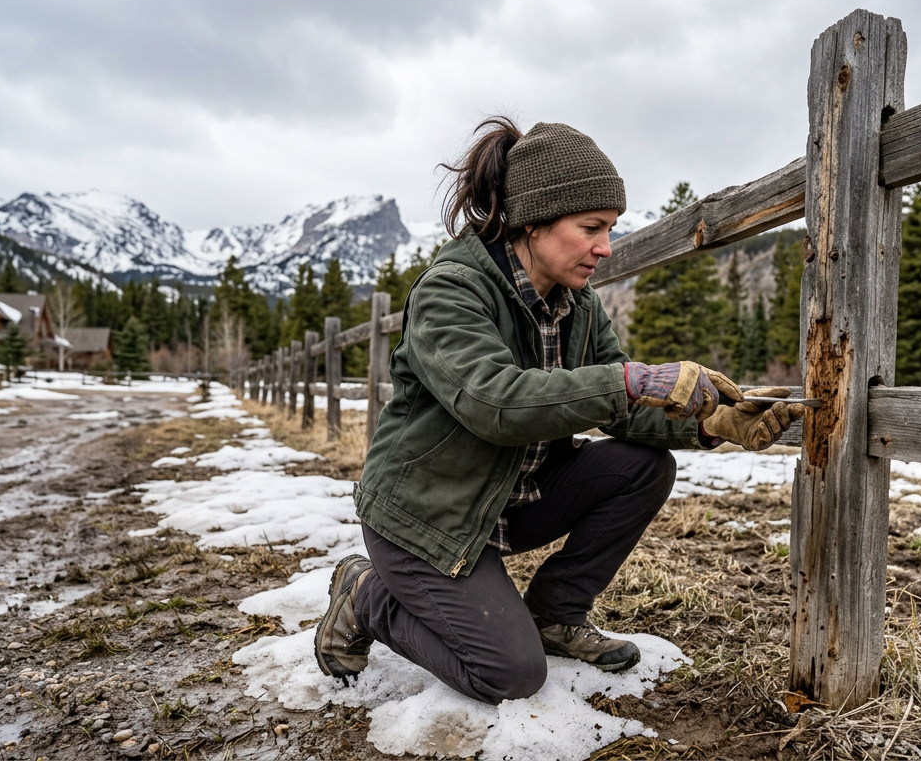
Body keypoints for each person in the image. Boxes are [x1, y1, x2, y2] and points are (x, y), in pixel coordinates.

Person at [313, 117, 803, 704]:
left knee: (643, 466)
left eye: (611, 229)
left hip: (511, 501)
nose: (606, 247)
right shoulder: (452, 291)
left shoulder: (579, 305)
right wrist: (633, 379)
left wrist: (709, 423)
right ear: (534, 221)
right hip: (427, 519)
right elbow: (495, 402)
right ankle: (366, 593)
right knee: (510, 675)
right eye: (592, 227)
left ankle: (555, 615)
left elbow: (623, 410)